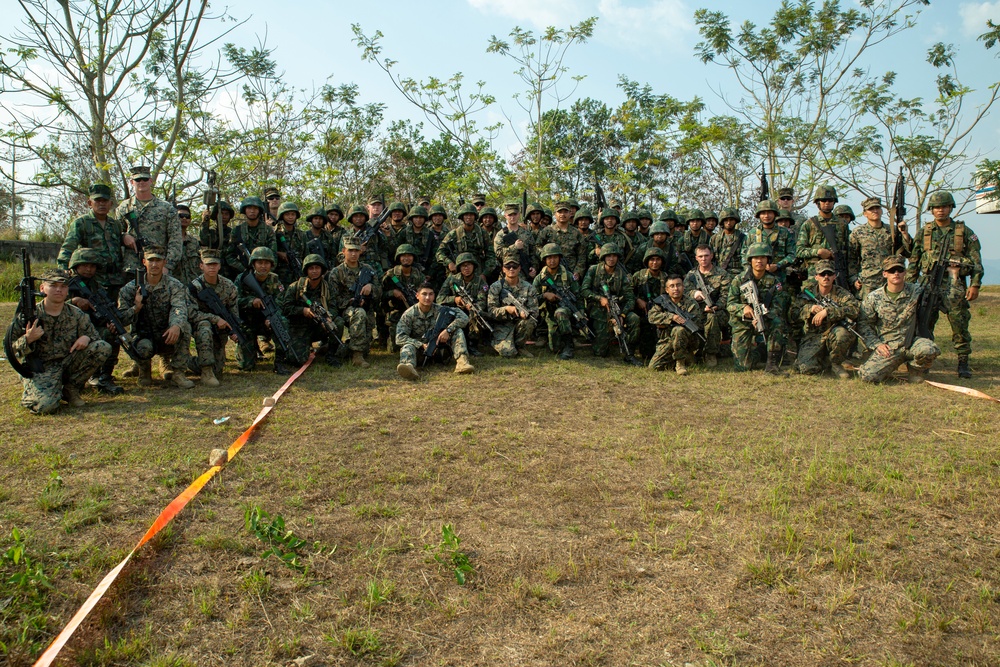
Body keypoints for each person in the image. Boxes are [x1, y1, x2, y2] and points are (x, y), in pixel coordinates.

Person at [9, 268, 111, 414]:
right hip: (42, 367)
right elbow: (10, 349)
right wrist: (28, 339)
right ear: (42, 288)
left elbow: (95, 336)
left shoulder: (76, 314)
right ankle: (38, 389)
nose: (59, 290)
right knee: (46, 407)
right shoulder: (29, 315)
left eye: (63, 286)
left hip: (68, 362)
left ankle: (71, 389)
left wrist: (86, 337)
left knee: (102, 347)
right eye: (53, 286)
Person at [905, 190, 984, 378]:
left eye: (944, 206)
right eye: (937, 207)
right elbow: (914, 261)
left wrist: (975, 284)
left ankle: (963, 361)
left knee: (959, 323)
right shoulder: (924, 232)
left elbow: (976, 260)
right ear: (931, 210)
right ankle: (924, 360)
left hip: (954, 285)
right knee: (924, 323)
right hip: (928, 284)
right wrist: (909, 287)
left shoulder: (963, 231)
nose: (941, 210)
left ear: (950, 207)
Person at [859, 255, 964, 383]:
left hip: (913, 343)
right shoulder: (873, 297)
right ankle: (889, 366)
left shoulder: (919, 292)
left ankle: (915, 370)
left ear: (905, 272)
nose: (896, 273)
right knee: (868, 377)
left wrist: (954, 275)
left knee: (928, 350)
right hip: (889, 346)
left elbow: (951, 302)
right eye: (892, 271)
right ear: (885, 274)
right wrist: (877, 344)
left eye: (899, 270)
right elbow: (864, 324)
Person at [117, 247, 194, 388]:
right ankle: (144, 371)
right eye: (151, 260)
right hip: (143, 336)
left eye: (158, 260)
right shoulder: (130, 288)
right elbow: (121, 319)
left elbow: (179, 307)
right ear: (144, 262)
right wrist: (136, 307)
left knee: (185, 328)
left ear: (164, 262)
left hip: (166, 334)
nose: (154, 264)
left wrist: (176, 325)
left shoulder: (174, 285)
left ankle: (178, 373)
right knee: (141, 346)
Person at [791, 260, 860, 379]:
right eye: (823, 274)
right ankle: (824, 360)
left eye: (829, 274)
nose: (826, 277)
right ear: (816, 277)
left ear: (834, 276)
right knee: (805, 369)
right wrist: (809, 309)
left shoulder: (842, 293)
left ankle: (836, 364)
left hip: (834, 333)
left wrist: (828, 312)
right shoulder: (807, 292)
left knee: (842, 334)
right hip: (814, 335)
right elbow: (792, 314)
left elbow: (854, 310)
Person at [727, 242, 788, 375]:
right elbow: (730, 304)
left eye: (763, 258)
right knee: (743, 367)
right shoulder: (739, 280)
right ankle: (760, 352)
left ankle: (772, 364)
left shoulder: (774, 282)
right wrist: (743, 308)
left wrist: (763, 316)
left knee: (778, 323)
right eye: (755, 258)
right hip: (742, 323)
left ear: (768, 260)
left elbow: (778, 307)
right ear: (750, 260)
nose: (759, 261)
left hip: (765, 319)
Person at [57, 183, 128, 297]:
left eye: (105, 201)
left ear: (110, 203)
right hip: (92, 280)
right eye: (97, 200)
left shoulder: (115, 225)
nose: (101, 204)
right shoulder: (81, 223)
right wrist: (63, 271)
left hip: (116, 279)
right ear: (90, 203)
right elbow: (68, 248)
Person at [395, 281, 475, 380]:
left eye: (430, 294)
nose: (428, 298)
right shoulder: (409, 314)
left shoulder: (441, 310)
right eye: (424, 294)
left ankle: (462, 363)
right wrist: (420, 345)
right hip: (419, 353)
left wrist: (448, 330)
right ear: (417, 296)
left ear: (434, 296)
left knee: (457, 331)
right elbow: (399, 338)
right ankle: (409, 367)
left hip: (440, 351)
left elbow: (463, 317)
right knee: (407, 346)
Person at [188, 249, 242, 387]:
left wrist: (234, 331)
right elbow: (190, 313)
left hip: (220, 330)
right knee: (204, 326)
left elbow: (233, 312)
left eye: (214, 264)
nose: (211, 267)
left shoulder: (229, 286)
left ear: (219, 266)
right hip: (199, 326)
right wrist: (214, 319)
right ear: (201, 266)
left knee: (218, 369)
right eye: (208, 264)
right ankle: (206, 372)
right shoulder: (194, 287)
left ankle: (188, 361)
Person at [115, 165, 182, 274]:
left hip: (158, 265)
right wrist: (124, 236)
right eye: (137, 180)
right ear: (132, 182)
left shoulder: (166, 208)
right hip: (131, 266)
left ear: (150, 181)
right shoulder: (124, 207)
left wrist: (168, 265)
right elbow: (115, 233)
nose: (141, 182)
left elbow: (175, 239)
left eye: (145, 179)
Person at [581, 243, 641, 365]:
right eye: (608, 256)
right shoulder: (594, 270)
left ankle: (629, 352)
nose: (611, 259)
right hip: (599, 311)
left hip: (618, 309)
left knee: (634, 319)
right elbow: (584, 290)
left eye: (614, 256)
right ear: (603, 257)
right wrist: (599, 298)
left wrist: (622, 315)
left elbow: (630, 298)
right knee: (600, 352)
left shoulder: (622, 274)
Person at [235, 247, 292, 374]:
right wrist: (251, 301)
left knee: (281, 322)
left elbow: (281, 302)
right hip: (247, 322)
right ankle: (250, 349)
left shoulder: (275, 279)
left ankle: (279, 362)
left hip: (266, 321)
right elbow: (234, 301)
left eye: (266, 263)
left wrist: (272, 317)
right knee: (246, 366)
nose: (263, 266)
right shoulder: (243, 278)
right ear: (253, 264)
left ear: (271, 265)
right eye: (260, 263)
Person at [281, 254, 343, 368]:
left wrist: (328, 317)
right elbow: (285, 308)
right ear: (306, 270)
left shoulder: (328, 288)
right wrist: (303, 310)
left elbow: (333, 306)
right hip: (300, 327)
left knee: (338, 322)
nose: (314, 271)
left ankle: (331, 354)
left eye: (317, 268)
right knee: (296, 360)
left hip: (319, 326)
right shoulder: (295, 287)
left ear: (322, 270)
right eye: (311, 268)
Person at [328, 236, 382, 367]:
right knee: (359, 313)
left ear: (360, 252)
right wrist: (349, 302)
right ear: (344, 251)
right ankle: (357, 356)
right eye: (350, 250)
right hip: (344, 310)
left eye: (356, 251)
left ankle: (341, 349)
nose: (353, 254)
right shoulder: (336, 272)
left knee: (366, 347)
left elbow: (379, 292)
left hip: (365, 308)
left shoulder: (367, 269)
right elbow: (332, 298)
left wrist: (371, 288)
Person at [848, 196, 913, 301]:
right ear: (865, 213)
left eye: (877, 208)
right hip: (868, 282)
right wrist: (853, 279)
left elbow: (908, 252)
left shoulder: (892, 230)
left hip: (889, 280)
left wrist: (904, 233)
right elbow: (852, 258)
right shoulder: (858, 233)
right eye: (871, 209)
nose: (875, 211)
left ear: (881, 210)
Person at [684, 244, 731, 367]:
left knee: (712, 318)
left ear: (711, 256)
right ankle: (691, 351)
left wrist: (716, 306)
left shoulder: (722, 274)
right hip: (697, 310)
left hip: (718, 311)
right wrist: (695, 293)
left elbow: (726, 295)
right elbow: (683, 292)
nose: (703, 259)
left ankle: (711, 353)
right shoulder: (691, 275)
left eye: (706, 255)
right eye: (700, 256)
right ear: (696, 258)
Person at [487, 249, 540, 358]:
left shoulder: (528, 287)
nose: (511, 269)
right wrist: (506, 309)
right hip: (501, 325)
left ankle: (520, 346)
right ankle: (499, 342)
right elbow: (491, 311)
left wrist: (525, 314)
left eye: (514, 266)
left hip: (519, 324)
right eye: (508, 266)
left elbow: (534, 311)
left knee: (531, 321)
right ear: (503, 269)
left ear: (519, 268)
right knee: (508, 353)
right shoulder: (496, 287)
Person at [648, 274, 703, 375]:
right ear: (667, 289)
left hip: (687, 340)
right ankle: (682, 357)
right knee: (654, 367)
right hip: (667, 339)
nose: (676, 289)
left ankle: (680, 363)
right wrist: (671, 317)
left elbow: (697, 323)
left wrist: (666, 324)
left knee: (679, 330)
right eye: (672, 286)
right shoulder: (663, 302)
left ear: (683, 287)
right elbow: (652, 317)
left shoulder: (691, 303)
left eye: (678, 285)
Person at [533, 243, 581, 360]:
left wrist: (581, 312)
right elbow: (532, 298)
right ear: (544, 260)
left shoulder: (568, 276)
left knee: (561, 313)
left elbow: (578, 296)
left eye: (555, 257)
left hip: (566, 311)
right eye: (549, 258)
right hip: (548, 313)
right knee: (555, 348)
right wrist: (544, 295)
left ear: (560, 258)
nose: (552, 261)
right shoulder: (540, 278)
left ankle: (569, 346)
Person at [796, 185, 850, 288]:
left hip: (836, 272)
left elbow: (849, 252)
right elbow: (799, 251)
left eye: (830, 200)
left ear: (834, 202)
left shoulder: (842, 225)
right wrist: (817, 252)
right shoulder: (809, 224)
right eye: (823, 200)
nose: (827, 203)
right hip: (814, 274)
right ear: (817, 203)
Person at [437, 252, 490, 356]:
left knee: (478, 314)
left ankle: (472, 345)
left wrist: (473, 306)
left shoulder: (481, 282)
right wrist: (455, 299)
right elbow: (440, 298)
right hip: (454, 311)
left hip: (470, 312)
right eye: (463, 265)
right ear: (459, 267)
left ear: (474, 266)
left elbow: (482, 301)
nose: (466, 268)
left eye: (469, 265)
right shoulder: (452, 279)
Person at [380, 244, 425, 352]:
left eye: (409, 255)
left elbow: (425, 292)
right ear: (399, 257)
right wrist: (392, 292)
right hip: (396, 312)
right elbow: (380, 294)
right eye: (403, 255)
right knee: (395, 348)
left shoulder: (419, 275)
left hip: (414, 311)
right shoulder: (392, 275)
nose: (406, 258)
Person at [437, 204, 498, 282]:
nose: (469, 217)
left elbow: (491, 255)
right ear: (462, 217)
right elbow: (440, 253)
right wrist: (449, 263)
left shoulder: (482, 233)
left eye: (471, 215)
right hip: (459, 270)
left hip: (478, 271)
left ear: (475, 216)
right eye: (466, 215)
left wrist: (485, 274)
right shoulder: (454, 233)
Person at [631, 246, 669, 361]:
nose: (655, 262)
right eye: (652, 259)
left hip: (659, 314)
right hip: (642, 312)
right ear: (647, 261)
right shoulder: (638, 276)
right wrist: (637, 300)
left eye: (658, 259)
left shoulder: (665, 277)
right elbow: (628, 293)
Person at [534, 200, 588, 281]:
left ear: (570, 213)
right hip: (549, 272)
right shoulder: (547, 231)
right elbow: (537, 246)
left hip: (570, 273)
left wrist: (578, 272)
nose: (562, 214)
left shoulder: (577, 233)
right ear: (555, 214)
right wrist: (547, 255)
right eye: (560, 212)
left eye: (565, 212)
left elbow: (582, 255)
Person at [225, 196, 277, 279]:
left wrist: (265, 273)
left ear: (259, 210)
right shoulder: (237, 231)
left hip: (264, 274)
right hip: (243, 275)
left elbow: (273, 254)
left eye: (255, 208)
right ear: (244, 210)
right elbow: (229, 255)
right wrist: (243, 270)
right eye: (249, 208)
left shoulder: (268, 230)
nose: (252, 211)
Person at [494, 202, 537, 279]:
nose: (512, 217)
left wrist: (534, 268)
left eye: (515, 214)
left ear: (519, 215)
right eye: (510, 215)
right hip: (507, 275)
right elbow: (498, 254)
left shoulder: (527, 234)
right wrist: (514, 247)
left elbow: (533, 253)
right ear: (505, 216)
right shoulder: (501, 234)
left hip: (525, 275)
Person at [274, 201, 307, 285]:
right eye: (287, 214)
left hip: (297, 273)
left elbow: (306, 255)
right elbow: (269, 250)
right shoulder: (275, 233)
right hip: (280, 275)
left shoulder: (301, 234)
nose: (290, 217)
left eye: (293, 214)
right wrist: (279, 253)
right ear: (282, 216)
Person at [710, 207, 746, 277]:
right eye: (726, 220)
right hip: (718, 274)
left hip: (737, 274)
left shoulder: (742, 238)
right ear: (722, 221)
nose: (729, 223)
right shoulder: (715, 238)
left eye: (731, 220)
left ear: (735, 221)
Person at [173, 203, 202, 285]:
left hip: (193, 285)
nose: (184, 218)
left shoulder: (194, 242)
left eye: (187, 216)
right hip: (175, 286)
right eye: (181, 215)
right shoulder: (168, 241)